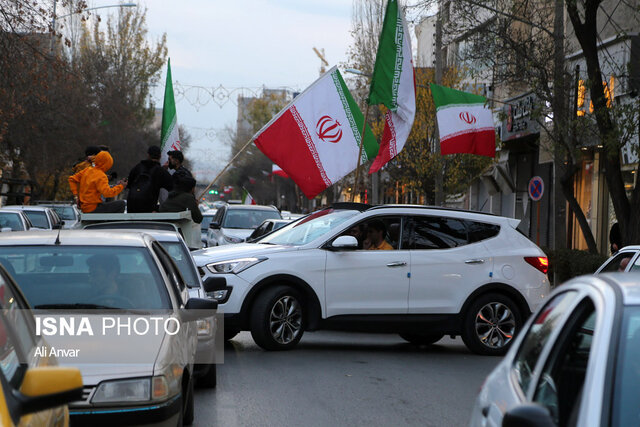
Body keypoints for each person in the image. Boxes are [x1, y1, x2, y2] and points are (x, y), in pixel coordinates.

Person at [126, 146, 173, 213]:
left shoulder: (137, 167)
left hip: (131, 207)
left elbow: (129, 184)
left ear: (148, 155)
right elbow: (172, 188)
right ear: (160, 156)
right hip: (149, 209)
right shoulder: (161, 171)